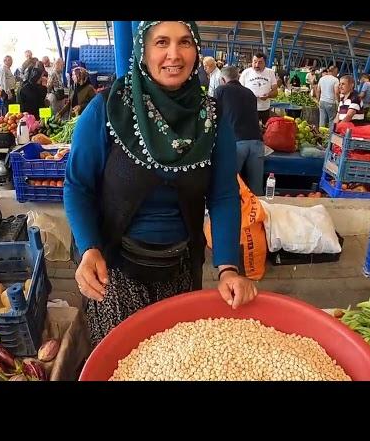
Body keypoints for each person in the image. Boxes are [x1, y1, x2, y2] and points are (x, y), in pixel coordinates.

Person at [64, 21, 257, 346]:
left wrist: (228, 268)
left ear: (196, 51)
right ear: (143, 50)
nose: (174, 54)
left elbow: (223, 195)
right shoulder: (108, 108)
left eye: (184, 42)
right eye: (161, 43)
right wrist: (88, 249)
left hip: (180, 269)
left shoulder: (211, 117)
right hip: (114, 270)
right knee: (123, 358)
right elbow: (77, 186)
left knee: (172, 357)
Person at [215, 65, 263, 195]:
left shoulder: (221, 90)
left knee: (229, 185)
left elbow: (214, 115)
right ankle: (260, 213)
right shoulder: (250, 93)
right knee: (256, 189)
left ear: (223, 79)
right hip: (257, 143)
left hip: (236, 143)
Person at [239, 52, 278, 127]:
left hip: (264, 109)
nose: (257, 65)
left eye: (260, 62)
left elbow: (275, 92)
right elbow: (239, 90)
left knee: (264, 130)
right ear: (252, 62)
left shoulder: (270, 72)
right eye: (255, 62)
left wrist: (268, 95)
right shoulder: (246, 72)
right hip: (249, 108)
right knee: (249, 129)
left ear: (265, 63)